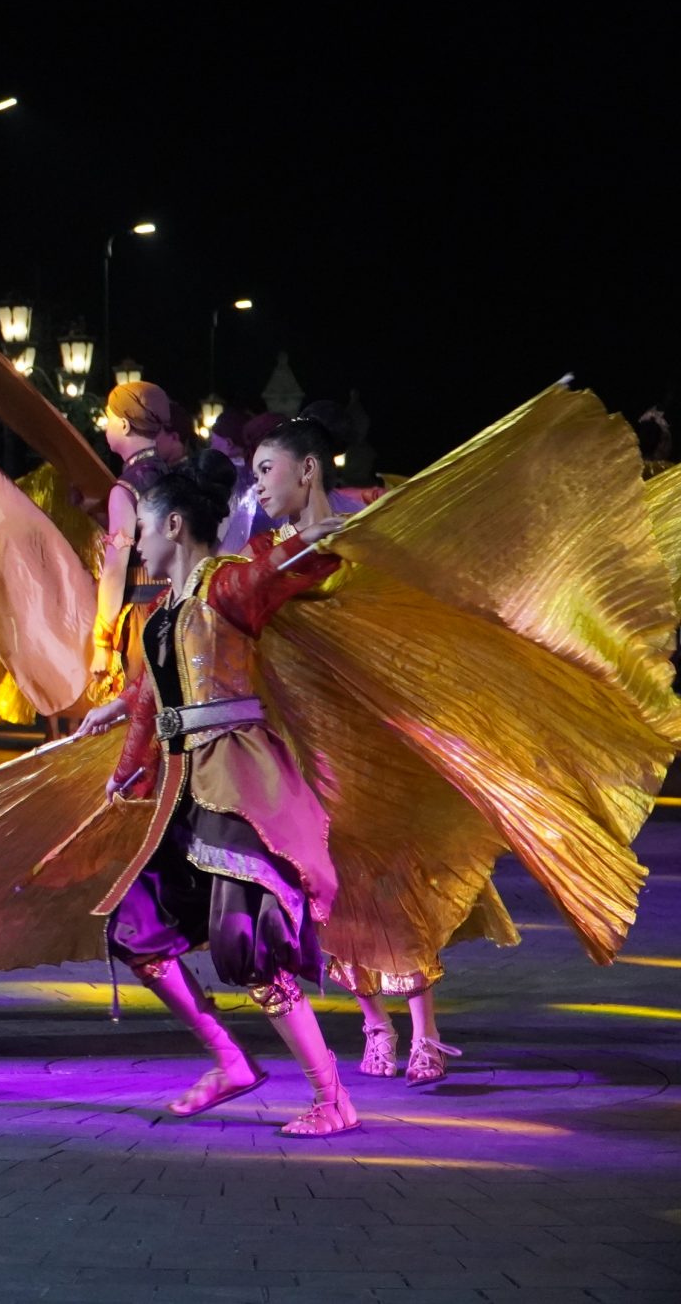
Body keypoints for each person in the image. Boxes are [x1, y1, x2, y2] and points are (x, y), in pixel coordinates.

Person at [71, 459, 356, 1137]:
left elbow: (285, 569)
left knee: (245, 944)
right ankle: (232, 1062)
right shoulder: (158, 612)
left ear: (173, 524)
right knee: (136, 931)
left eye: (140, 526)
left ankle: (332, 1098)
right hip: (182, 790)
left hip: (237, 782)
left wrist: (318, 536)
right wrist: (118, 760)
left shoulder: (226, 586)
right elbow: (148, 700)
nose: (134, 541)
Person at [249, 415, 475, 1086]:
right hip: (308, 741)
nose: (257, 484)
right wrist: (301, 542)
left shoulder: (367, 529)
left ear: (307, 469)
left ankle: (427, 1031)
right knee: (331, 885)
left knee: (392, 878)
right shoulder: (279, 541)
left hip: (374, 737)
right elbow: (257, 573)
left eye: (267, 469)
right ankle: (374, 1023)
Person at [90, 380, 196, 693]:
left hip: (142, 615)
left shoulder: (125, 490)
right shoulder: (179, 478)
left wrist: (102, 641)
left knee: (140, 718)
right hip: (183, 609)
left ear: (123, 424)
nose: (106, 427)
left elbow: (114, 569)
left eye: (108, 419)